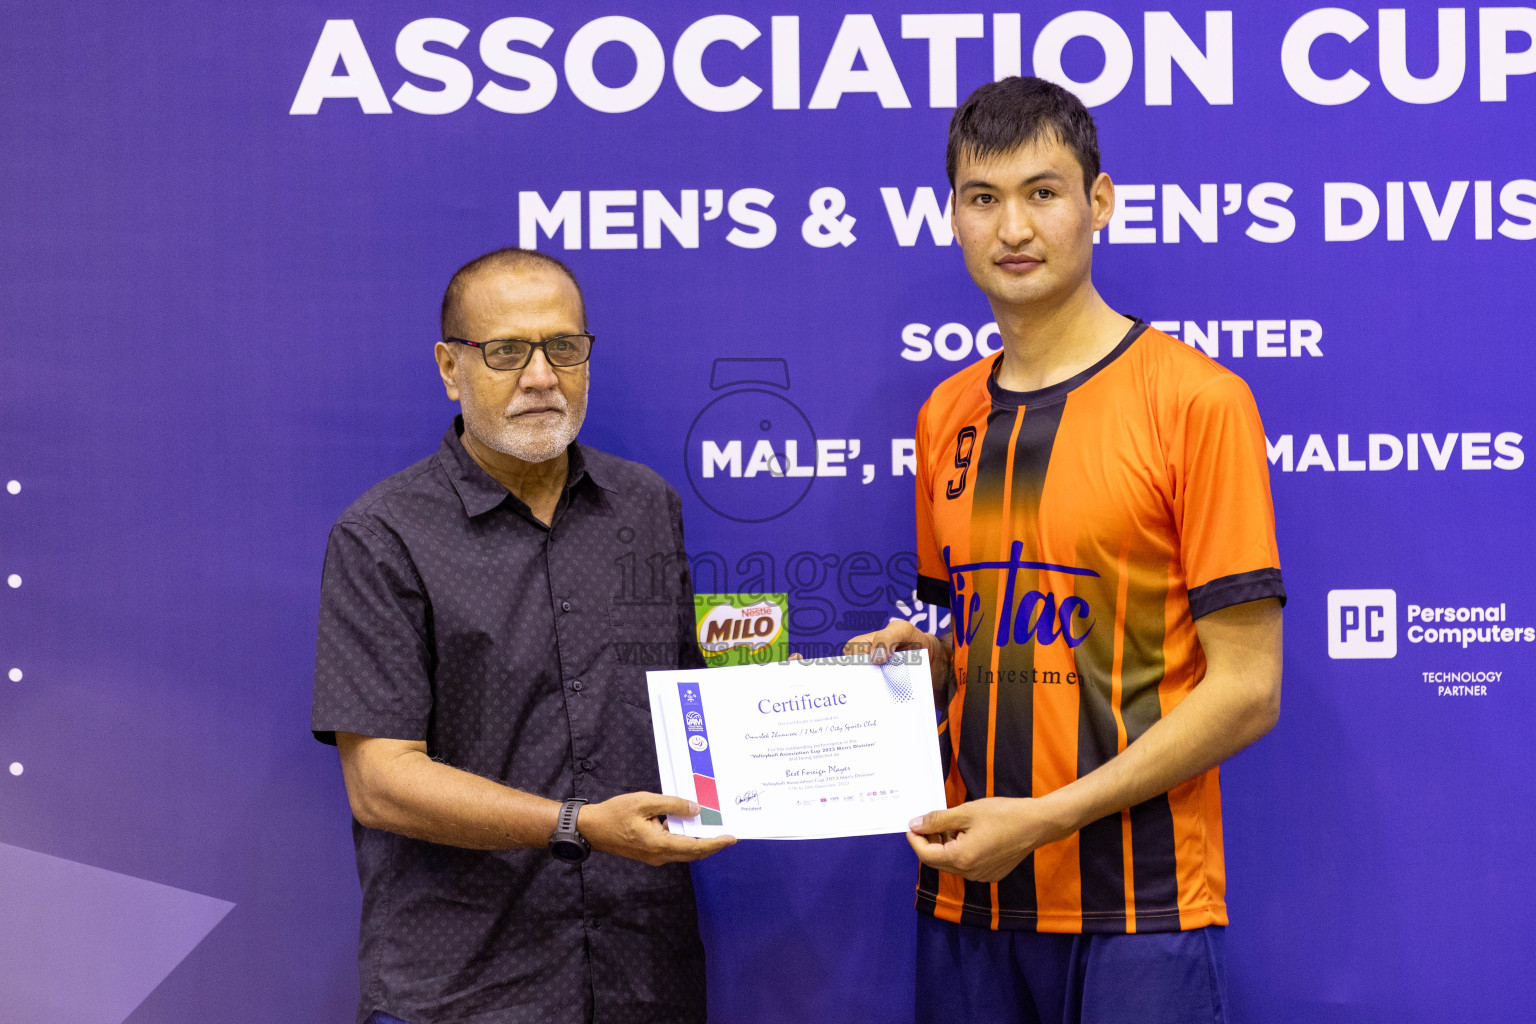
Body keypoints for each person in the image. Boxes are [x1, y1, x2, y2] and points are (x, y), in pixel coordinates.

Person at [846, 78, 1285, 1023]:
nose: (1013, 227)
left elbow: (1248, 689)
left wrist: (1049, 819)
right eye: (983, 197)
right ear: (952, 217)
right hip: (969, 893)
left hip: (1142, 906)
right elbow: (984, 647)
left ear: (1102, 203)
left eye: (1043, 192)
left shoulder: (1196, 400)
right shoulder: (946, 413)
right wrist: (923, 669)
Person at [312, 248, 734, 1024]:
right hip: (463, 990)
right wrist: (578, 827)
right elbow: (380, 782)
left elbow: (693, 707)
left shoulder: (645, 507)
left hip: (642, 976)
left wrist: (848, 697)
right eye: (506, 351)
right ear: (450, 366)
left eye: (563, 347)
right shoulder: (382, 535)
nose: (541, 376)